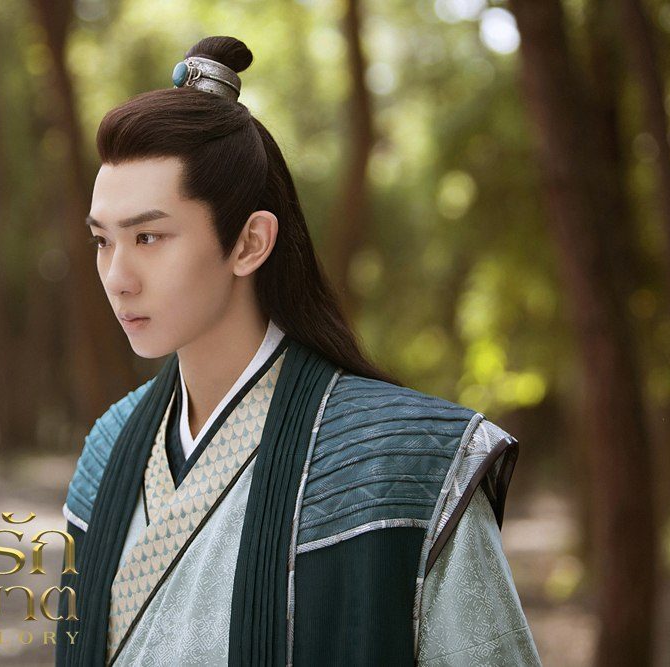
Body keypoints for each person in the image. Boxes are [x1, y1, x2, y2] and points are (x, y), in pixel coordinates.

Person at [55, 35, 540, 666]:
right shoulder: (110, 449)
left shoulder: (404, 466)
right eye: (103, 241)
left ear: (250, 242)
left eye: (148, 237)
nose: (117, 277)